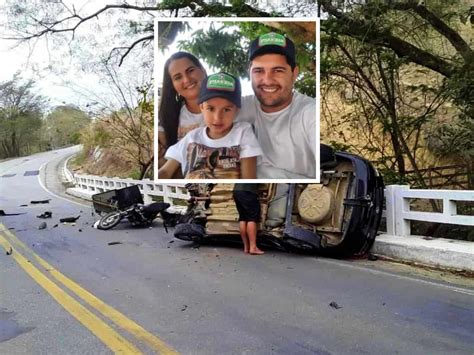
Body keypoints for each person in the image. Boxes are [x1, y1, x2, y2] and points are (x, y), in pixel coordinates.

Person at [237, 32, 317, 179]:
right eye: (259, 71)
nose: (267, 80)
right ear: (249, 73)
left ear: (294, 73)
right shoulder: (235, 108)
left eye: (278, 70)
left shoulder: (311, 112)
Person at [158, 72, 262, 179]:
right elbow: (166, 171)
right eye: (210, 108)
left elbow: (248, 180)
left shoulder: (243, 132)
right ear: (201, 107)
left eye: (226, 109)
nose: (217, 118)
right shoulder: (192, 137)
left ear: (236, 110)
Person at [158, 52, 207, 170]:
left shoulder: (231, 107)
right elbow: (161, 162)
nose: (186, 79)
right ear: (173, 85)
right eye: (178, 77)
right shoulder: (167, 118)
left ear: (202, 70)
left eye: (190, 70)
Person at [233, 183, 264, 255]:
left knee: (243, 217)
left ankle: (246, 247)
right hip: (248, 191)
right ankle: (253, 247)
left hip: (236, 190)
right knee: (252, 218)